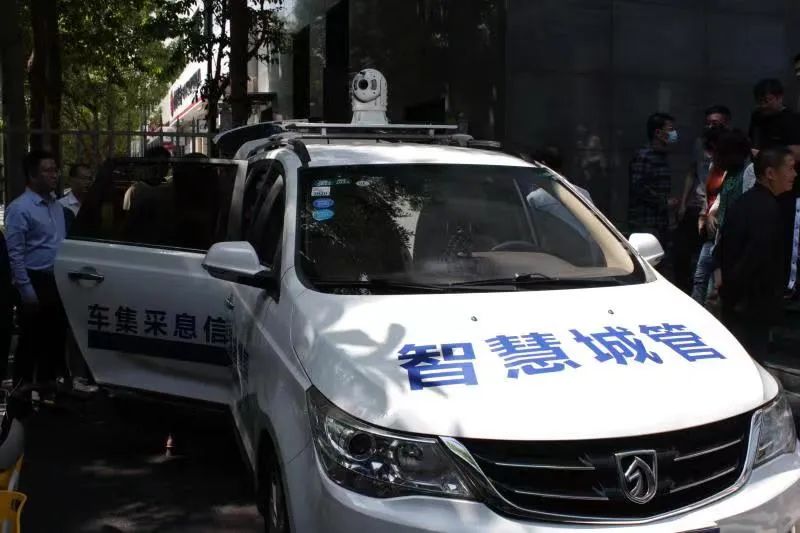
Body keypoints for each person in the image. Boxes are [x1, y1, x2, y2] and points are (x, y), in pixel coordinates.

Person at [713, 147, 796, 361]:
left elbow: (721, 249)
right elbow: (754, 257)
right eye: (790, 168)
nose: (794, 174)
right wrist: (734, 293)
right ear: (770, 173)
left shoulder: (746, 201)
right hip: (750, 306)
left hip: (739, 302)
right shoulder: (766, 209)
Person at [4, 150, 68, 395]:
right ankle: (21, 390)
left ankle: (47, 388)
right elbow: (15, 254)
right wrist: (26, 289)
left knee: (54, 338)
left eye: (55, 170)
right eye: (48, 170)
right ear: (32, 175)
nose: (54, 175)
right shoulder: (20, 208)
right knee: (31, 339)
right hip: (35, 280)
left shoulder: (56, 206)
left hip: (57, 279)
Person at [674, 106, 731, 294]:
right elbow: (692, 172)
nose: (711, 126)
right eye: (708, 123)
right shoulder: (700, 144)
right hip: (697, 204)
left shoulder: (731, 146)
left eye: (715, 123)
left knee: (711, 257)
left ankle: (709, 294)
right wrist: (683, 203)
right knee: (683, 251)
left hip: (717, 207)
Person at [692, 129, 751, 305]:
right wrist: (710, 213)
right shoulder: (728, 172)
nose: (715, 157)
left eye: (719, 153)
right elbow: (720, 196)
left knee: (717, 287)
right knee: (701, 277)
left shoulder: (749, 172)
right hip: (719, 236)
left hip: (734, 242)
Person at [628, 112, 679, 271]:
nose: (674, 133)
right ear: (658, 132)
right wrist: (664, 202)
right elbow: (638, 187)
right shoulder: (644, 156)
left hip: (660, 222)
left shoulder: (662, 156)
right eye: (670, 129)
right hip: (645, 223)